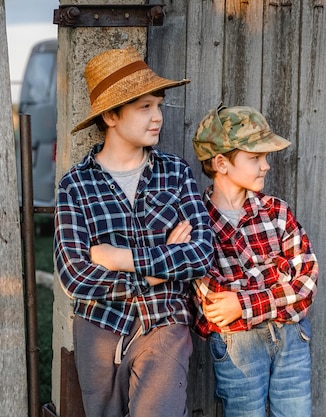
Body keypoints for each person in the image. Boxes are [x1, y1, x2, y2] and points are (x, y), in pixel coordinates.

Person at [54, 47, 214, 417]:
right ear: (111, 115)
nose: (157, 117)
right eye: (144, 107)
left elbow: (201, 252)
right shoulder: (75, 186)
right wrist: (157, 274)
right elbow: (75, 276)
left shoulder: (175, 173)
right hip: (99, 326)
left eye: (158, 105)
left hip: (164, 321)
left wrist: (119, 258)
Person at [191, 104, 319, 417]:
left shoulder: (277, 212)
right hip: (239, 347)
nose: (266, 166)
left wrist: (243, 302)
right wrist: (277, 277)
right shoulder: (197, 222)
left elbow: (305, 284)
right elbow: (216, 306)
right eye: (255, 157)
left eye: (266, 157)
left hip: (291, 340)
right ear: (221, 162)